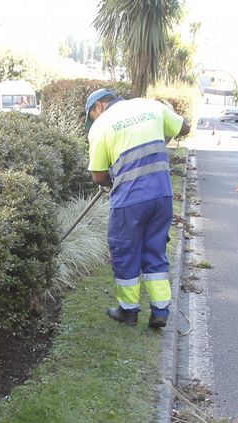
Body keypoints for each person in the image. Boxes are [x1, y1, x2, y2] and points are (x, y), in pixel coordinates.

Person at [85, 88, 184, 329]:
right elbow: (184, 128)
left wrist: (111, 182)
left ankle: (128, 312)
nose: (93, 121)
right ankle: (160, 311)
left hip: (129, 201)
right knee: (155, 250)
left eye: (91, 116)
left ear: (98, 107)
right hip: (162, 195)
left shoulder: (101, 126)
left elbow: (98, 176)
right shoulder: (150, 106)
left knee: (125, 251)